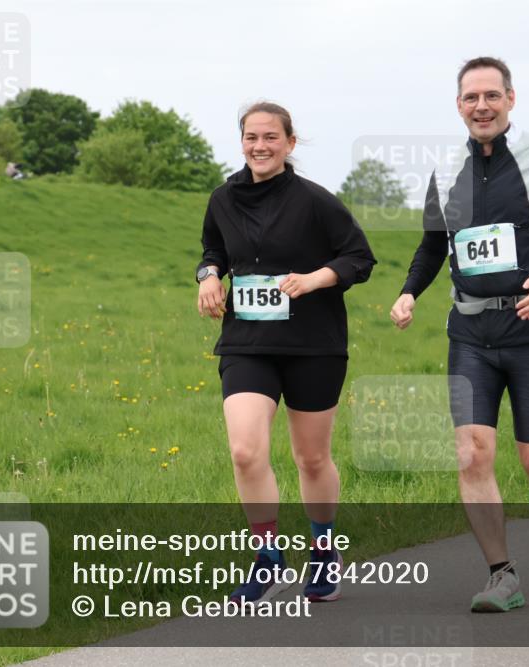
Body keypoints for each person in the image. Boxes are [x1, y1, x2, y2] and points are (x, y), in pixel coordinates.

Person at [389, 57, 529, 612]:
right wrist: (410, 290)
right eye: (470, 98)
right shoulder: (444, 169)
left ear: (511, 98)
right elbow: (435, 245)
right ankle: (500, 574)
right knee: (471, 454)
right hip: (470, 333)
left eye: (491, 96)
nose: (481, 106)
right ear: (458, 105)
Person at [196, 101, 376, 603]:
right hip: (248, 341)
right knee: (245, 450)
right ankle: (268, 558)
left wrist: (316, 279)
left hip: (313, 344)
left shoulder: (316, 201)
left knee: (311, 457)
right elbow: (212, 251)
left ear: (290, 143)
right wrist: (208, 277)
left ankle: (323, 551)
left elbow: (359, 258)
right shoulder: (222, 199)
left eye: (271, 137)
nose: (260, 146)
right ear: (242, 142)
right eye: (251, 137)